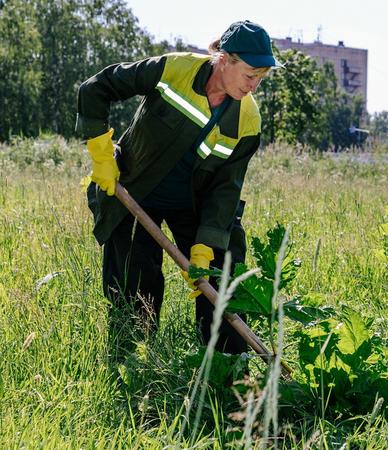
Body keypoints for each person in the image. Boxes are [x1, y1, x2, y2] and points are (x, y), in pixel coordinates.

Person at [76, 20, 280, 362]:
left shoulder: (248, 120)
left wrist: (205, 246)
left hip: (195, 205)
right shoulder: (176, 70)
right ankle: (133, 364)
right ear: (225, 59)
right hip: (138, 191)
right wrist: (101, 153)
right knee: (134, 284)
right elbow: (96, 88)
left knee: (224, 274)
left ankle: (224, 368)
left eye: (261, 77)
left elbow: (226, 189)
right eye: (250, 74)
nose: (254, 85)